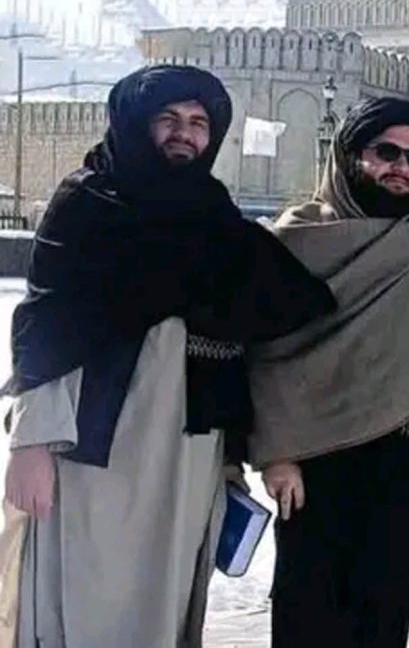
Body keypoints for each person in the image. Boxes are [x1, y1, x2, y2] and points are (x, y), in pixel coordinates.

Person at [1, 65, 334, 647]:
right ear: (136, 124)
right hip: (92, 448)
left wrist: (238, 452)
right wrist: (30, 442)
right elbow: (46, 321)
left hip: (186, 454)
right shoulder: (88, 202)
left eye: (199, 123)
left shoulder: (214, 218)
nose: (185, 133)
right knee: (81, 601)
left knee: (163, 606)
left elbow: (266, 319)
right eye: (169, 119)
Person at [245, 97, 409, 648]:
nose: (401, 168)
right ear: (350, 155)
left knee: (382, 624)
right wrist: (276, 453)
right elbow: (263, 356)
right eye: (386, 152)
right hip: (314, 465)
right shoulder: (296, 241)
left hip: (402, 467)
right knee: (307, 621)